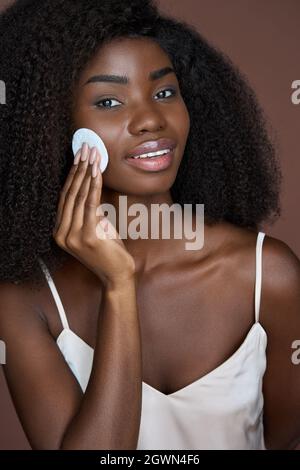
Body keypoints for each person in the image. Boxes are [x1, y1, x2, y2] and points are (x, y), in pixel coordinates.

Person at [0, 0, 299, 450]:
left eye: (164, 93)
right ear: (51, 127)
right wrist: (118, 286)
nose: (151, 120)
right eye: (108, 101)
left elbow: (281, 438)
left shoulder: (267, 274)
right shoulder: (25, 300)